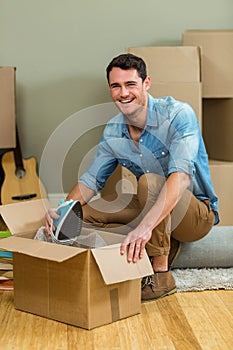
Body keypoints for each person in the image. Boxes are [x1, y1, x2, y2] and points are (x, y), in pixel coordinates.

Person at [46, 53, 219, 302]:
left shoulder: (178, 114)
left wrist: (145, 228)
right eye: (116, 86)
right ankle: (160, 244)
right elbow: (91, 181)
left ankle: (161, 274)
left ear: (146, 83)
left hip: (194, 214)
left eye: (130, 85)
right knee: (82, 215)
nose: (123, 93)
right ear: (109, 89)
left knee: (149, 182)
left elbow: (181, 178)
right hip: (152, 207)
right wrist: (62, 212)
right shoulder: (114, 130)